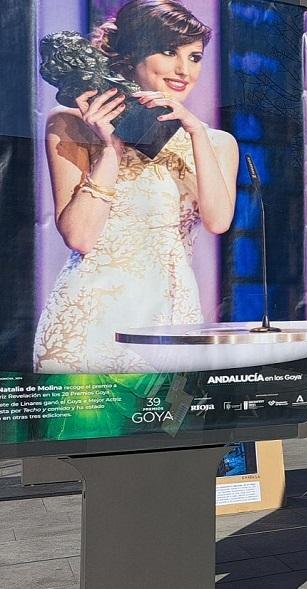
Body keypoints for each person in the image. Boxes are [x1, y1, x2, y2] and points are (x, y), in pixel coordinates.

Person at [34, 0, 239, 373]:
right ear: (131, 56)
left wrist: (194, 132)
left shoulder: (217, 142)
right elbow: (80, 236)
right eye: (167, 52)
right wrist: (109, 150)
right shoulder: (69, 124)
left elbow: (218, 221)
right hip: (90, 324)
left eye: (194, 57)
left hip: (173, 319)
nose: (183, 70)